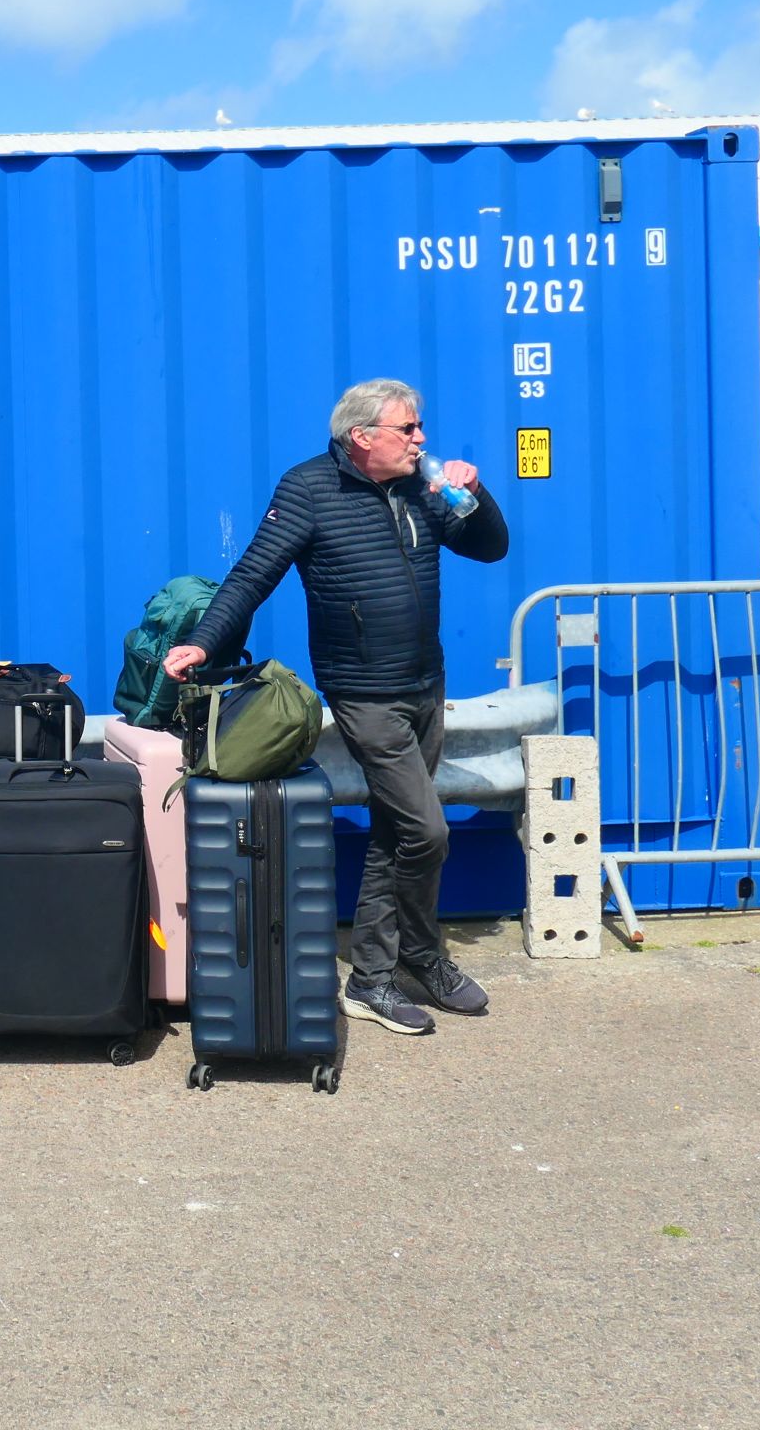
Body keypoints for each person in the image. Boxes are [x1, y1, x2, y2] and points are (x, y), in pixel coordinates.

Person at [163, 377, 509, 1037]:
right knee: (427, 832)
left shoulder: (423, 486)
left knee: (396, 830)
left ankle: (397, 967)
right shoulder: (309, 488)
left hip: (425, 683)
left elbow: (491, 547)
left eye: (419, 428)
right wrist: (203, 644)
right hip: (364, 692)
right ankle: (392, 969)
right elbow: (253, 574)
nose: (421, 439)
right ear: (362, 437)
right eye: (407, 429)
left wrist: (477, 492)